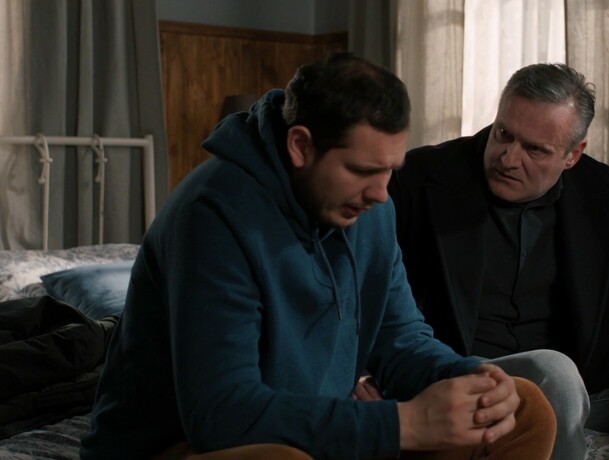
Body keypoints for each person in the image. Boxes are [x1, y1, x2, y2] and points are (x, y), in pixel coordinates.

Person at [80, 53, 557, 460]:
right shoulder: (214, 214)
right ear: (301, 146)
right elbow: (221, 415)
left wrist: (468, 376)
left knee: (524, 408)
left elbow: (400, 339)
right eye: (361, 170)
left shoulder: (370, 208)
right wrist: (402, 424)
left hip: (314, 432)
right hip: (188, 446)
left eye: (390, 170)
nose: (380, 193)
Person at [386, 62, 609, 459]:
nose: (508, 158)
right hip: (470, 382)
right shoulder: (421, 177)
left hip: (584, 386)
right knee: (554, 372)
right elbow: (371, 291)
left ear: (573, 154)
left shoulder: (601, 191)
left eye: (534, 149)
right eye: (503, 134)